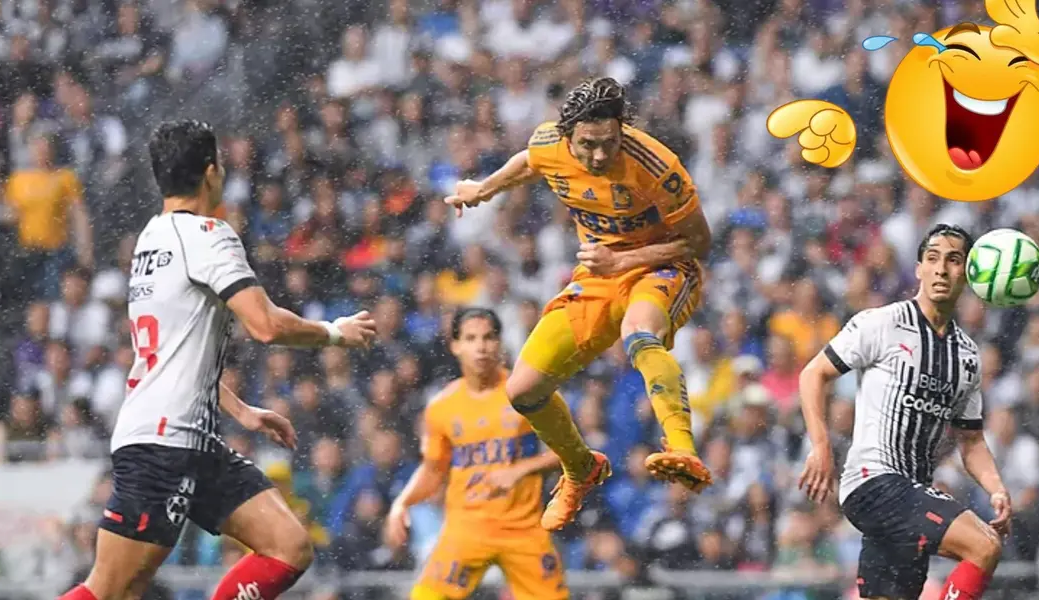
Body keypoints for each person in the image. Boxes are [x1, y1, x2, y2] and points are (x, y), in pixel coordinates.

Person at [60, 120, 377, 600]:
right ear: (211, 172)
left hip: (192, 440)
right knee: (109, 590)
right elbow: (265, 324)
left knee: (289, 546)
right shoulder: (208, 234)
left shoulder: (151, 239)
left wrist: (242, 410)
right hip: (162, 446)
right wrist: (334, 332)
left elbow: (175, 354)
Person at [443, 77, 714, 530]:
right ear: (568, 134)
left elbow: (698, 242)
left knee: (638, 331)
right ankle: (580, 467)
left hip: (660, 269)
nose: (599, 156)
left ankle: (682, 446)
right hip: (597, 276)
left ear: (621, 132)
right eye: (588, 144)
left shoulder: (657, 166)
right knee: (522, 390)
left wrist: (623, 258)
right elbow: (530, 163)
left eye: (609, 143)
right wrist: (484, 190)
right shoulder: (550, 142)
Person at [797, 224, 1011, 600]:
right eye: (932, 259)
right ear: (918, 269)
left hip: (911, 499)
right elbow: (814, 374)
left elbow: (971, 439)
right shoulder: (881, 323)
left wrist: (996, 489)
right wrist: (821, 446)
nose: (941, 269)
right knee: (984, 546)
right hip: (874, 483)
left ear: (969, 272)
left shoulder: (966, 355)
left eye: (953, 259)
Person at [383, 307, 567, 600]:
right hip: (466, 527)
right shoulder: (441, 407)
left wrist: (521, 469)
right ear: (455, 345)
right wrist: (402, 503)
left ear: (499, 342)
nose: (480, 347)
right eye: (470, 338)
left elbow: (570, 452)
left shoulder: (528, 391)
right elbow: (433, 470)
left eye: (488, 337)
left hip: (523, 528)